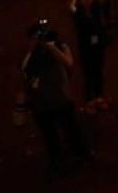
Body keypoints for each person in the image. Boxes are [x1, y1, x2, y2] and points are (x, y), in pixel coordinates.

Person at [21, 19, 91, 171]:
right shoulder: (30, 56)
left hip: (61, 99)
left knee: (71, 130)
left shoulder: (59, 47)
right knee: (51, 136)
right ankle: (57, 160)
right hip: (42, 105)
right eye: (34, 38)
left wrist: (51, 48)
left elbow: (68, 62)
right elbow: (25, 72)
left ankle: (81, 155)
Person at [70, 0, 110, 112]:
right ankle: (89, 100)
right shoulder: (78, 14)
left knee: (98, 72)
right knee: (88, 75)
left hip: (98, 47)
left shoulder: (96, 8)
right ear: (81, 0)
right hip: (86, 49)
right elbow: (71, 5)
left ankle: (99, 97)